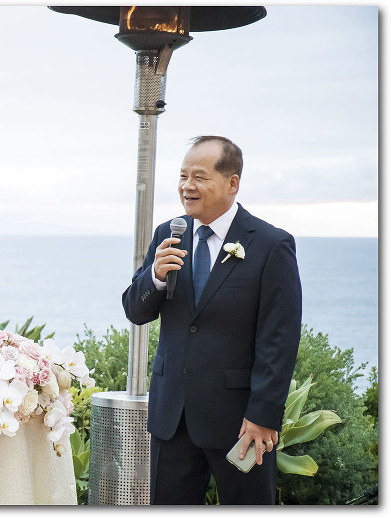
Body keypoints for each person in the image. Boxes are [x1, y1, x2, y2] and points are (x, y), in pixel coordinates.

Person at [122, 136, 302, 505]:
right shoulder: (168, 234)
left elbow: (279, 339)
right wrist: (155, 276)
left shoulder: (270, 244)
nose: (187, 186)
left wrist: (263, 415)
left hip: (240, 422)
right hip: (172, 418)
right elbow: (135, 311)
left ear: (232, 183)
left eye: (199, 177)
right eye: (183, 176)